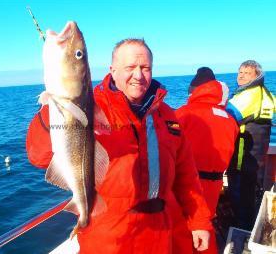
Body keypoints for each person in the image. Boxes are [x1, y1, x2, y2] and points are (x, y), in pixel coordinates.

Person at [26, 39, 212, 254]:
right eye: (130, 68)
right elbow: (38, 156)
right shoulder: (89, 107)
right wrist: (57, 107)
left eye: (145, 68)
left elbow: (186, 175)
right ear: (112, 71)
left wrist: (199, 222)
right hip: (108, 236)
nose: (139, 76)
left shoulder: (167, 115)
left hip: (159, 233)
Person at [170, 67, 239, 254]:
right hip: (214, 186)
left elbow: (168, 149)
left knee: (183, 229)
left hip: (188, 184)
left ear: (194, 90)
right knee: (205, 224)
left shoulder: (182, 114)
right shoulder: (230, 120)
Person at [226, 60, 275, 230]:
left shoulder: (248, 95)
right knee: (251, 194)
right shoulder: (266, 94)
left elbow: (226, 116)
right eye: (240, 72)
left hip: (242, 158)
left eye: (247, 73)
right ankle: (250, 227)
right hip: (257, 158)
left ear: (257, 76)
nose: (241, 75)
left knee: (239, 196)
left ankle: (240, 231)